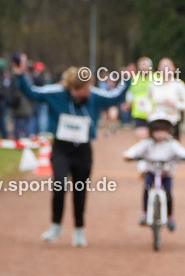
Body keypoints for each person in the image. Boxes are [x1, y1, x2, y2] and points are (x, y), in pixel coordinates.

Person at [13, 55, 129, 247]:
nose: (88, 91)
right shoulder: (55, 93)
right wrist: (20, 75)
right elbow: (32, 92)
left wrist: (127, 80)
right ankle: (56, 226)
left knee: (80, 190)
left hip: (83, 149)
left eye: (89, 87)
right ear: (74, 89)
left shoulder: (94, 96)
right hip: (61, 147)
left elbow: (115, 97)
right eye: (84, 89)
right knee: (59, 186)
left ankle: (79, 230)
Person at [123, 111, 185, 230]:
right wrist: (128, 155)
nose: (160, 133)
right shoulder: (147, 143)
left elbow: (183, 152)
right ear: (151, 131)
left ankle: (170, 217)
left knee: (169, 194)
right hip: (151, 172)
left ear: (168, 130)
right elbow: (134, 150)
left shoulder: (172, 144)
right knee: (147, 189)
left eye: (163, 130)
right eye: (157, 130)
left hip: (166, 174)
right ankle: (144, 213)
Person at [148, 57, 185, 139]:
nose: (165, 70)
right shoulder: (153, 85)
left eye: (168, 68)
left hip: (172, 122)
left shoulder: (179, 85)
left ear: (174, 69)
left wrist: (175, 104)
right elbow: (146, 100)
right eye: (162, 68)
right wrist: (149, 111)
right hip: (156, 123)